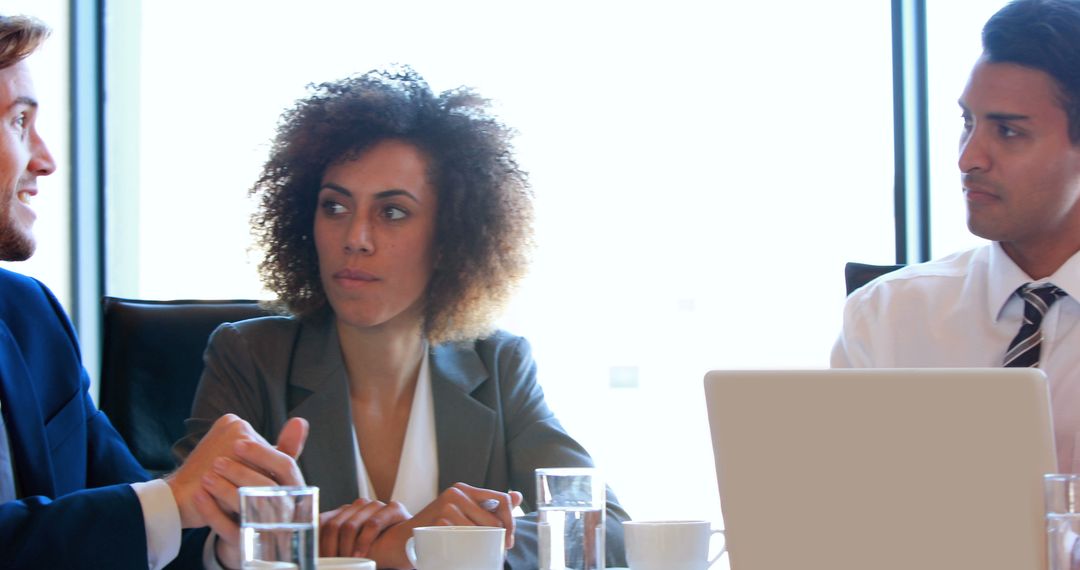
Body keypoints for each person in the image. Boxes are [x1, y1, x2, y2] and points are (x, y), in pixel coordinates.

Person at [174, 66, 630, 569]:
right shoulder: (249, 356)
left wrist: (427, 543)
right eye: (334, 207)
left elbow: (603, 527)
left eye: (391, 212)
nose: (355, 238)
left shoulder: (498, 363)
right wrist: (283, 544)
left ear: (449, 238)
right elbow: (181, 541)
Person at [0, 14, 310, 569]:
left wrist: (223, 540)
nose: (44, 159)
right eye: (19, 121)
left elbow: (133, 512)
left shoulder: (30, 317)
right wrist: (169, 502)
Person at [832, 0, 1080, 472]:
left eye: (1007, 131)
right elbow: (839, 505)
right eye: (968, 123)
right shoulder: (887, 316)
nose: (969, 158)